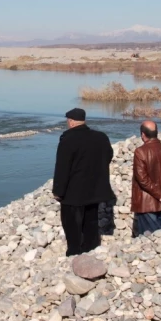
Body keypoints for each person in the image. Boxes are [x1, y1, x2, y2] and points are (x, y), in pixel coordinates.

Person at [52, 108, 115, 256]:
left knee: (72, 223)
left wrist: (58, 191)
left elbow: (62, 167)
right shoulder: (101, 137)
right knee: (91, 219)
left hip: (73, 191)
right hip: (94, 188)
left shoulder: (67, 139)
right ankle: (91, 248)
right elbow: (108, 156)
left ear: (71, 121)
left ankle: (74, 251)